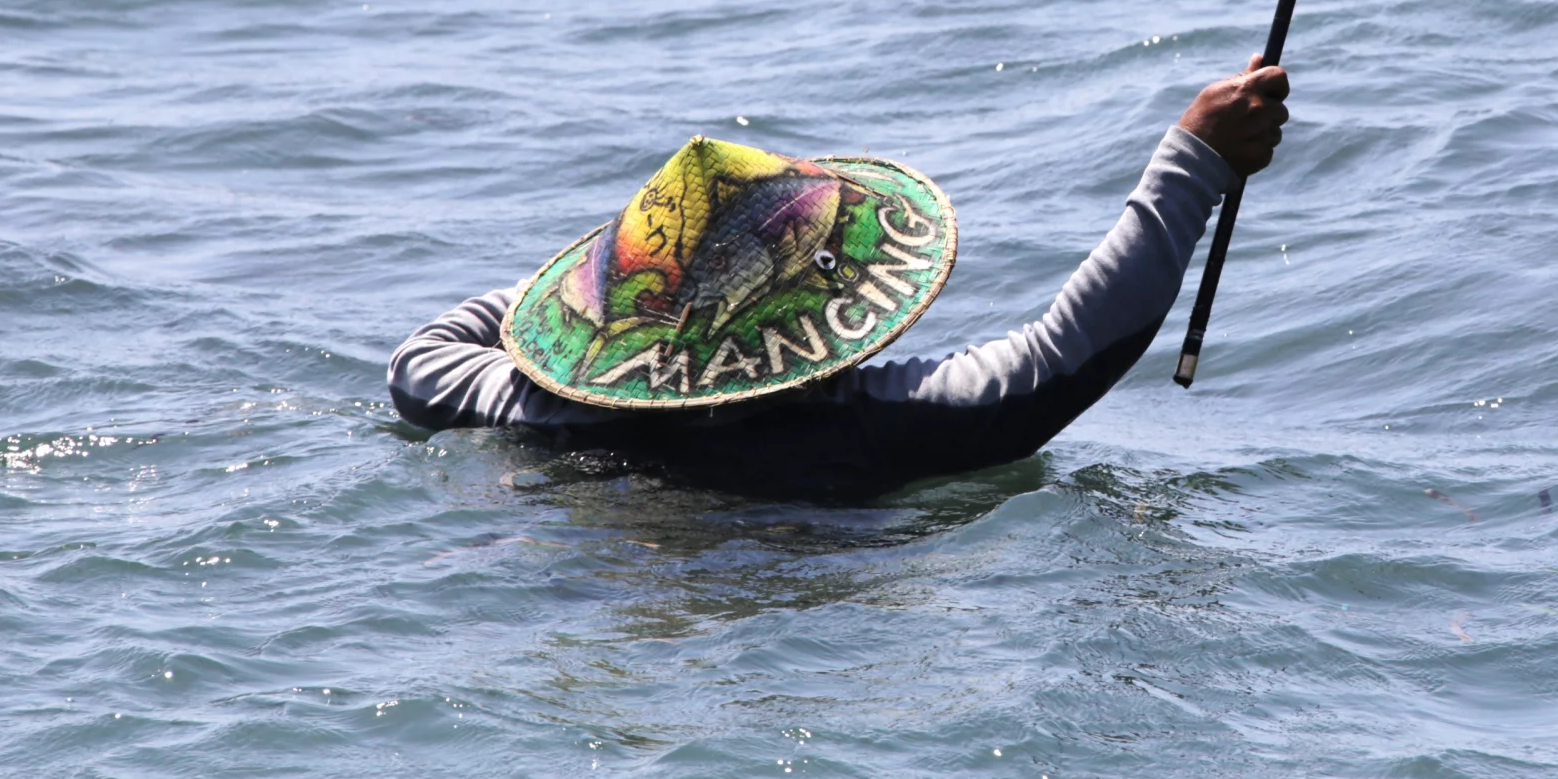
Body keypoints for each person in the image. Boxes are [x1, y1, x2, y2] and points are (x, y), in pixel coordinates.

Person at [388, 56, 1289, 497]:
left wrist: (599, 288)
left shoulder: (525, 405)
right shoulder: (856, 430)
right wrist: (1192, 162)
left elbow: (419, 358)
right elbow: (1064, 353)